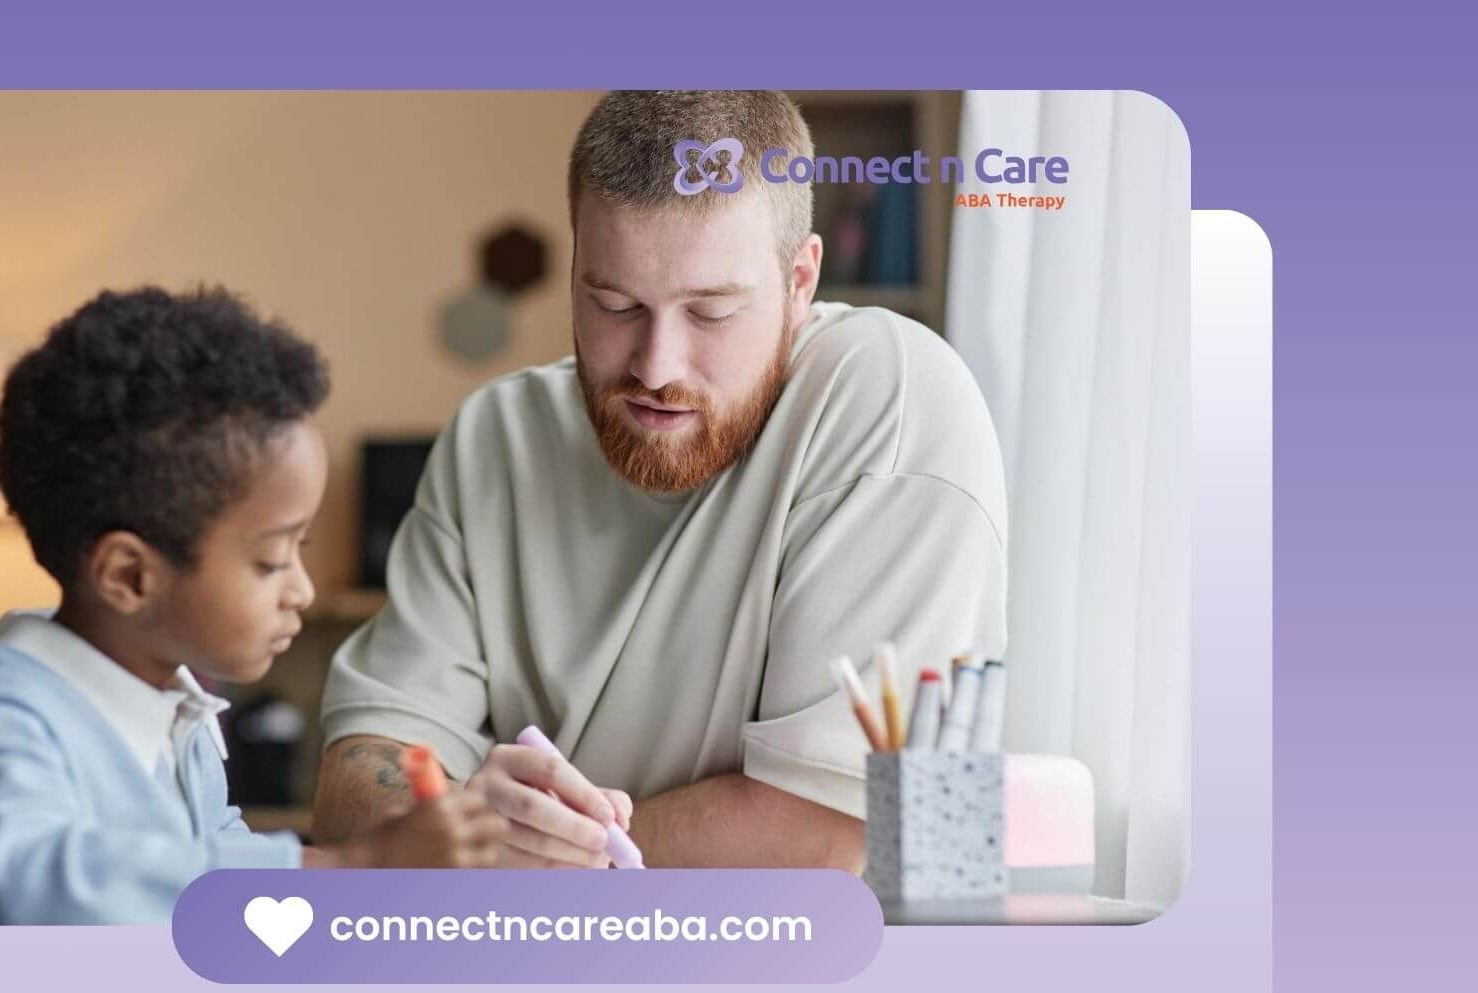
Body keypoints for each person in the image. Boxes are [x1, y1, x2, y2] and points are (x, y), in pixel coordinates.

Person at [311, 91, 1006, 870]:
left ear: (801, 279)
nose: (656, 367)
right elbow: (362, 771)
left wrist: (509, 866)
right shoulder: (493, 438)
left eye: (711, 313)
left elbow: (831, 831)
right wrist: (438, 838)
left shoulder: (889, 394)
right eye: (615, 305)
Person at [0, 286, 506, 924]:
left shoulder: (178, 711)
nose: (301, 589)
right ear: (129, 576)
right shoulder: (4, 710)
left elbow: (220, 857)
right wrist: (351, 871)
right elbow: (31, 883)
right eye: (272, 561)